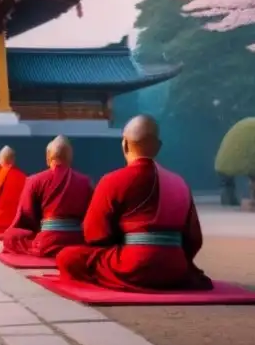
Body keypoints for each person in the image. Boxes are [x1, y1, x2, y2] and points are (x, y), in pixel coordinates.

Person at [56, 115, 212, 291]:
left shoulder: (112, 180)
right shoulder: (179, 183)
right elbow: (193, 239)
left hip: (134, 264)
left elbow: (95, 234)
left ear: (124, 144)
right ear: (159, 146)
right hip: (175, 268)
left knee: (67, 257)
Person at [3, 135, 93, 258]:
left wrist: (38, 230)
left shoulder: (34, 180)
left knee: (10, 236)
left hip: (47, 241)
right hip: (77, 240)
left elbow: (26, 215)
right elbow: (92, 215)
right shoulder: (85, 181)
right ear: (70, 157)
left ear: (47, 157)